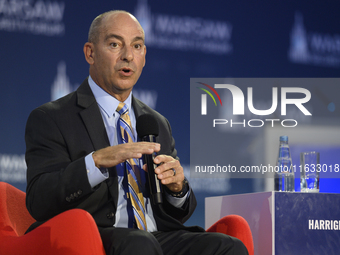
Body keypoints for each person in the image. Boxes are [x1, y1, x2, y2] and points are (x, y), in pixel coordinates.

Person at [25, 10, 248, 255]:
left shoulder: (155, 122)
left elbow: (177, 213)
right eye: (114, 44)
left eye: (137, 46)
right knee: (140, 243)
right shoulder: (52, 117)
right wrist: (96, 162)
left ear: (144, 56)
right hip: (97, 237)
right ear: (90, 53)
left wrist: (178, 189)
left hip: (156, 236)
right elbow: (39, 200)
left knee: (228, 247)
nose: (128, 56)